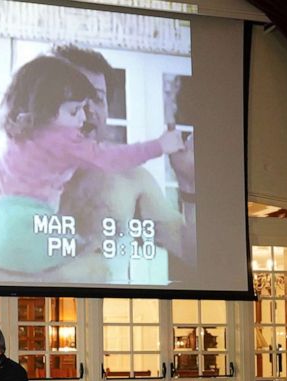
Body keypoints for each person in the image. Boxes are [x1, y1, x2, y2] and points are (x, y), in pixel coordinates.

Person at [0, 55, 184, 275]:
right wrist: (159, 145)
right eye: (74, 110)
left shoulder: (17, 134)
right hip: (19, 231)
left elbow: (183, 242)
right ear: (46, 107)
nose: (85, 116)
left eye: (94, 101)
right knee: (90, 255)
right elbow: (110, 157)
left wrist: (188, 183)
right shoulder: (64, 139)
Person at [52, 44, 194, 281]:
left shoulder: (131, 177)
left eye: (97, 98)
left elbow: (192, 253)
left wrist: (189, 183)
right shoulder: (3, 177)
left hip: (110, 313)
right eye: (74, 95)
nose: (87, 111)